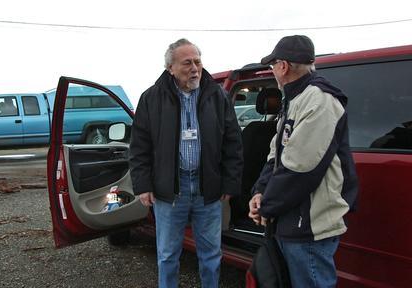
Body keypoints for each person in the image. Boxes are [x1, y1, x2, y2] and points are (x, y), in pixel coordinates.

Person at [129, 38, 243, 288]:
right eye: (187, 63)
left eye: (198, 61)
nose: (195, 68)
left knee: (211, 255)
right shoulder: (151, 98)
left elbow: (233, 143)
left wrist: (229, 182)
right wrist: (143, 184)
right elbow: (139, 147)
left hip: (208, 190)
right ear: (170, 68)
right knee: (168, 256)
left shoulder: (217, 95)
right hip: (170, 190)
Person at [248, 35, 359, 288]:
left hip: (310, 225)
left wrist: (266, 207)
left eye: (272, 65)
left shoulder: (319, 100)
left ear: (283, 66)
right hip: (292, 220)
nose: (272, 71)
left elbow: (300, 168)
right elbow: (276, 154)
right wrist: (260, 192)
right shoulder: (295, 100)